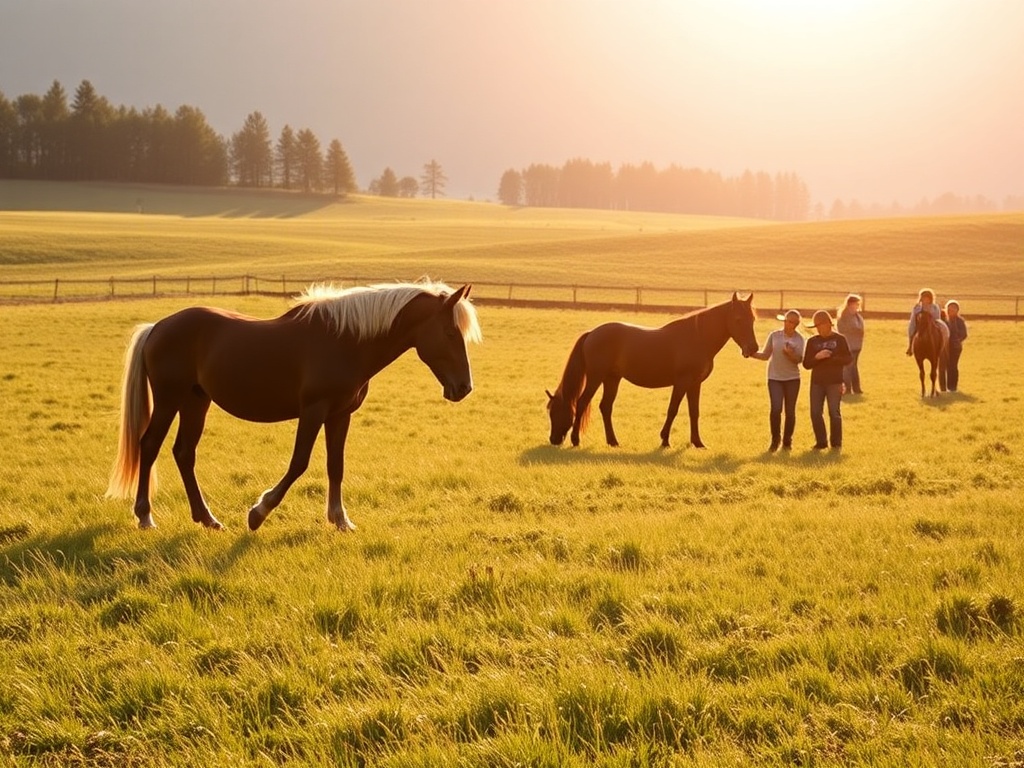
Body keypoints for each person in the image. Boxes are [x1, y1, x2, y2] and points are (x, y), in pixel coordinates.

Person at [751, 309, 805, 452]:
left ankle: (787, 442)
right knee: (775, 409)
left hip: (792, 379)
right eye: (787, 321)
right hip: (774, 378)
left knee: (790, 411)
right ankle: (775, 441)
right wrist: (750, 354)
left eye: (792, 322)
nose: (788, 324)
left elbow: (799, 360)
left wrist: (790, 355)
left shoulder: (799, 339)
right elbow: (765, 355)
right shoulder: (775, 336)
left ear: (796, 324)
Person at [803, 310, 852, 450]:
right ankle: (821, 442)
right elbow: (806, 364)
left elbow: (848, 359)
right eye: (816, 327)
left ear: (828, 324)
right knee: (815, 412)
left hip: (835, 381)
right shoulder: (812, 342)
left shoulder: (840, 339)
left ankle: (836, 443)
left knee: (834, 412)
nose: (818, 329)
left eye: (820, 326)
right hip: (817, 382)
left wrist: (832, 358)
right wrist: (817, 357)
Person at [836, 293, 864, 394]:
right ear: (850, 304)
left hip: (856, 345)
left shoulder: (857, 316)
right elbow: (843, 329)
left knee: (853, 367)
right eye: (856, 304)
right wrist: (855, 330)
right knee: (848, 368)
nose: (857, 306)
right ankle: (847, 388)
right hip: (848, 345)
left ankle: (856, 388)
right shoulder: (844, 316)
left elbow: (860, 329)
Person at [907, 288, 941, 356]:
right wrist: (912, 327)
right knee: (911, 330)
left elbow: (937, 318)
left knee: (942, 330)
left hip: (932, 325)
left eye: (927, 298)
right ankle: (910, 347)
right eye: (924, 298)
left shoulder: (935, 307)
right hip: (919, 325)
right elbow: (913, 319)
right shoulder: (917, 308)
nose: (925, 300)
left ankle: (940, 347)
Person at [944, 300, 968, 391]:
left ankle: (953, 387)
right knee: (946, 366)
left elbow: (964, 334)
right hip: (945, 347)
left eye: (954, 308)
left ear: (957, 310)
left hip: (956, 347)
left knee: (953, 365)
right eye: (950, 308)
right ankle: (946, 386)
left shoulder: (960, 321)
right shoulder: (944, 320)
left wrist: (958, 340)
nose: (951, 310)